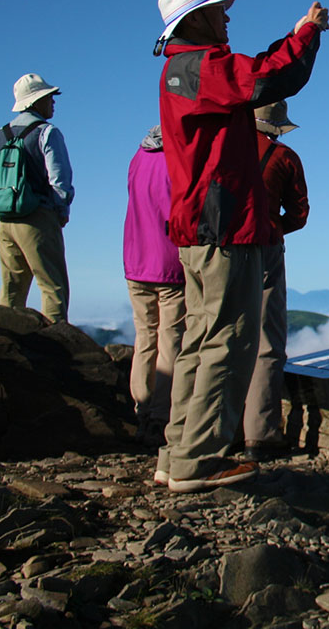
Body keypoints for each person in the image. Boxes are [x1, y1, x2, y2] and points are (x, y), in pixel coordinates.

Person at [153, 0, 328, 492]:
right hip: (226, 227)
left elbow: (253, 73)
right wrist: (309, 34)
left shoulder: (182, 72)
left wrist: (291, 35)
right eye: (218, 9)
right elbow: (271, 78)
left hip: (200, 228)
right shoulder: (199, 68)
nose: (227, 15)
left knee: (199, 341)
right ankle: (198, 461)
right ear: (195, 19)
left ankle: (177, 450)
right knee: (229, 341)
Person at [0, 74, 74, 324]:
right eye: (49, 97)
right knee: (53, 287)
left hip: (6, 220)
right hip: (38, 216)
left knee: (11, 288)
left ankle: (9, 347)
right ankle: (58, 350)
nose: (53, 102)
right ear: (36, 101)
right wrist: (61, 210)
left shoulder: (2, 134)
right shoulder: (47, 133)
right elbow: (60, 180)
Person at [242, 100, 309, 462]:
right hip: (265, 248)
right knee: (267, 340)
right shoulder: (285, 157)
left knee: (221, 336)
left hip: (220, 249)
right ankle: (260, 434)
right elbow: (299, 212)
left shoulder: (223, 146)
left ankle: (217, 428)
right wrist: (272, 227)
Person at [123, 124, 186, 448]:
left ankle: (141, 408)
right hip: (168, 261)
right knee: (170, 339)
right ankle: (161, 415)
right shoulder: (178, 159)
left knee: (145, 336)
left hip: (135, 259)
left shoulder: (137, 158)